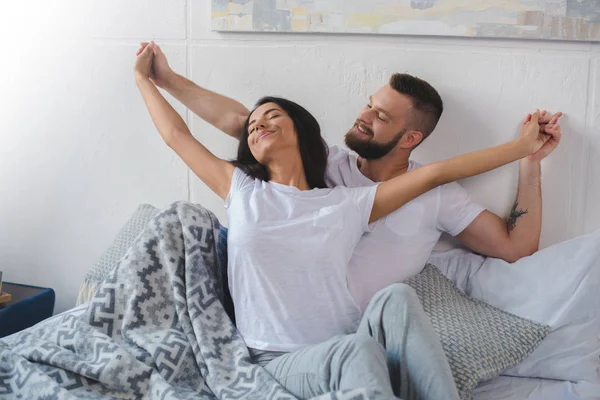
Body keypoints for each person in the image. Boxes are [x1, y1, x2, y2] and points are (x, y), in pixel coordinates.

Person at [134, 42, 559, 400]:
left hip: (358, 338)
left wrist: (527, 155)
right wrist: (158, 78)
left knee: (397, 299)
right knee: (354, 353)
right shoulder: (287, 179)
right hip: (293, 354)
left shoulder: (349, 203)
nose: (364, 116)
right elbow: (211, 128)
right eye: (369, 105)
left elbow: (446, 181)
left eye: (381, 116)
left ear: (410, 138)